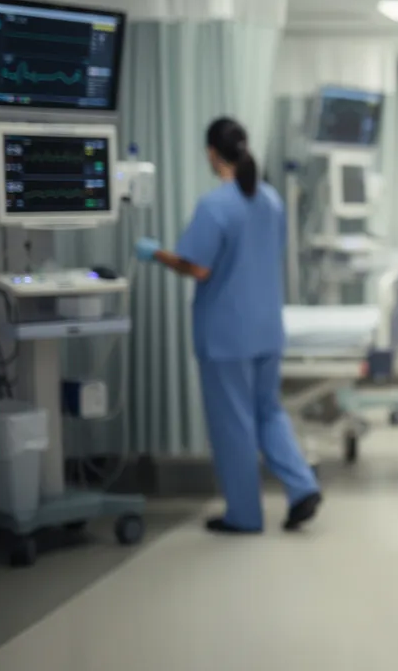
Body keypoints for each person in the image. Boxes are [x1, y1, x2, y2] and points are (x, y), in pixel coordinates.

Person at [134, 117, 321, 535]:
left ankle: (244, 515)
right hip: (266, 328)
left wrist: (156, 255)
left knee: (233, 423)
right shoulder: (270, 200)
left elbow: (198, 268)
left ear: (211, 154)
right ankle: (302, 485)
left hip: (227, 335)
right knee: (269, 412)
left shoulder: (216, 206)